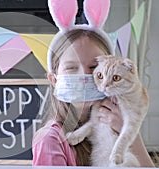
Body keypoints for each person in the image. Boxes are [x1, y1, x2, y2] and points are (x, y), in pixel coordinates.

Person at [32, 0, 155, 167]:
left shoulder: (115, 120)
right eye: (71, 68)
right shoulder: (51, 140)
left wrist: (129, 131)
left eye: (93, 67)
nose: (84, 75)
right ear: (54, 80)